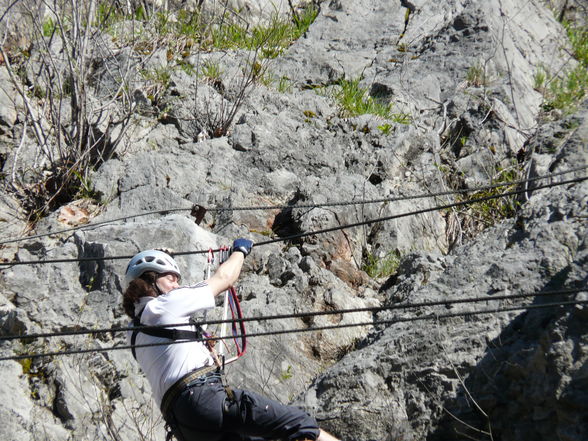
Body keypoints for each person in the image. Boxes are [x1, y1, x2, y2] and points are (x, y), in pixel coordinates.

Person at [122, 239, 341, 441]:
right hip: (202, 397)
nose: (177, 286)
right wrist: (240, 251)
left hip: (185, 426)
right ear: (150, 279)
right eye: (171, 279)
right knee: (301, 424)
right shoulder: (164, 305)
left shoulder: (133, 332)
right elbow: (224, 279)